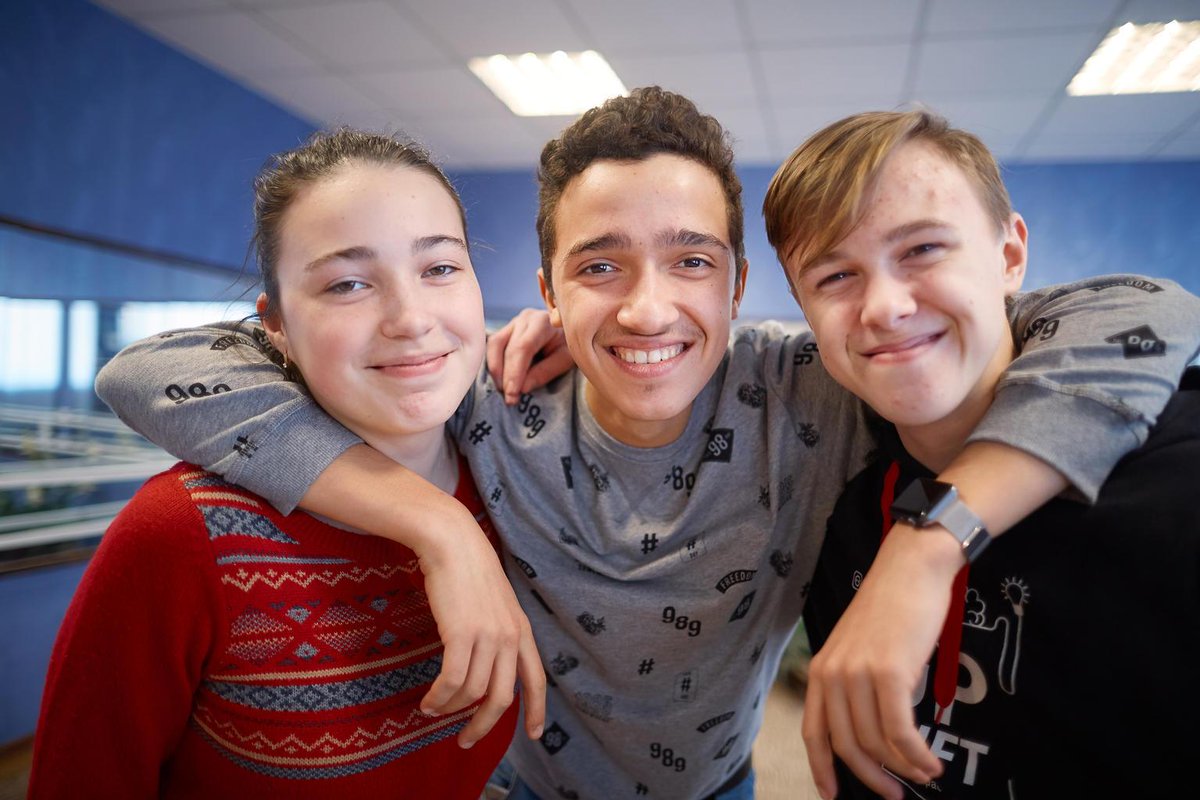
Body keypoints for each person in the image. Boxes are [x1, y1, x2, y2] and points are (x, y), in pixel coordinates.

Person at [92, 88, 1200, 800]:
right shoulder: (482, 394)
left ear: (740, 283)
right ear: (546, 286)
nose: (647, 308)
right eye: (599, 266)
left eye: (691, 260)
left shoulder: (820, 386)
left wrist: (931, 543)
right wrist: (440, 526)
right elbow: (152, 370)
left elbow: (1139, 313)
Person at [30, 129, 545, 798]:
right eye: (348, 283)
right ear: (274, 325)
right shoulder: (182, 532)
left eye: (440, 268)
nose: (411, 319)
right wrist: (441, 525)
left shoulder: (515, 469)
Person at [763, 109, 1200, 798]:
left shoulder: (1179, 478)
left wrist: (928, 542)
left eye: (922, 249)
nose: (884, 307)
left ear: (1010, 257)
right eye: (835, 276)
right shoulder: (841, 504)